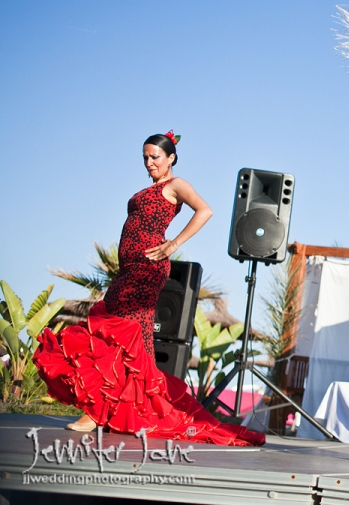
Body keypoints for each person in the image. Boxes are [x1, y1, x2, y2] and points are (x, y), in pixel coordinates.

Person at [34, 132, 265, 447]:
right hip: (129, 269)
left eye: (155, 156)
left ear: (171, 158)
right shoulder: (150, 189)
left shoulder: (176, 185)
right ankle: (117, 409)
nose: (149, 162)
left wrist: (173, 244)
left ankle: (98, 411)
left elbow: (205, 210)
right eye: (145, 157)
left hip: (147, 268)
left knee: (115, 333)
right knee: (127, 339)